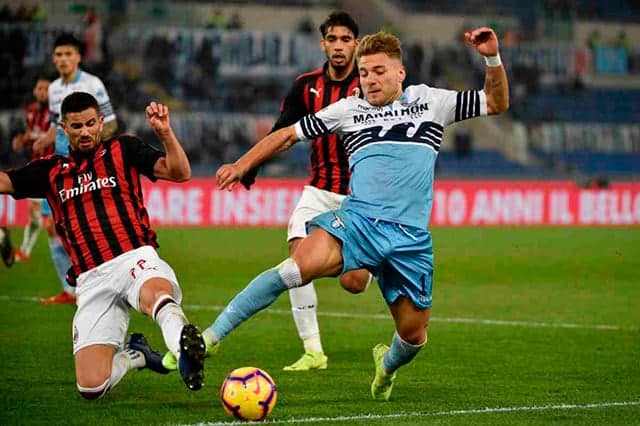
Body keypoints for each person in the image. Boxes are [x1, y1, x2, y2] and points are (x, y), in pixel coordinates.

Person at [208, 28, 509, 400]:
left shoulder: (431, 101)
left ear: (400, 73)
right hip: (358, 223)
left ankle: (386, 368)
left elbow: (495, 103)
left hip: (409, 240)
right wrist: (242, 164)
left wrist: (491, 58)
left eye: (379, 71)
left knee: (413, 335)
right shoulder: (349, 110)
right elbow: (287, 135)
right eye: (364, 72)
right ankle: (209, 338)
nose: (370, 80)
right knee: (297, 265)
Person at [0, 92, 207, 398]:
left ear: (100, 123)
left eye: (90, 123)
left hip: (132, 257)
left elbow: (180, 172)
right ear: (63, 128)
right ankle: (136, 356)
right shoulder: (50, 171)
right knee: (92, 386)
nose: (84, 131)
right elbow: (5, 181)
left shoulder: (124, 148)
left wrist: (165, 134)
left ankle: (184, 349)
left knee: (157, 296)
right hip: (91, 279)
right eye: (76, 126)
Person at [240, 11, 372, 372]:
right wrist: (253, 164)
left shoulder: (370, 84)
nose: (339, 46)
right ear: (323, 44)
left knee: (354, 283)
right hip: (317, 190)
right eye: (333, 39)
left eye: (346, 39)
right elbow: (282, 129)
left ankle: (369, 260)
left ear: (356, 44)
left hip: (359, 197)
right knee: (296, 264)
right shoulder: (306, 85)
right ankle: (313, 351)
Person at [33, 33, 118, 305]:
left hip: (85, 166)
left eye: (68, 54)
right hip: (58, 166)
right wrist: (43, 140)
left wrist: (92, 152)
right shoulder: (55, 88)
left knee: (86, 224)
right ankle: (70, 290)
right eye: (58, 55)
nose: (63, 59)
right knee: (50, 225)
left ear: (79, 57)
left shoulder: (93, 84)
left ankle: (99, 281)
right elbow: (56, 125)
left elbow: (112, 123)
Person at [11, 76, 52, 262]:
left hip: (56, 170)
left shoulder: (57, 112)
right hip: (36, 170)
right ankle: (25, 251)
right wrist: (21, 141)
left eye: (46, 88)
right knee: (35, 217)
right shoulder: (31, 112)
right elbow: (30, 136)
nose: (42, 92)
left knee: (54, 224)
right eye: (39, 88)